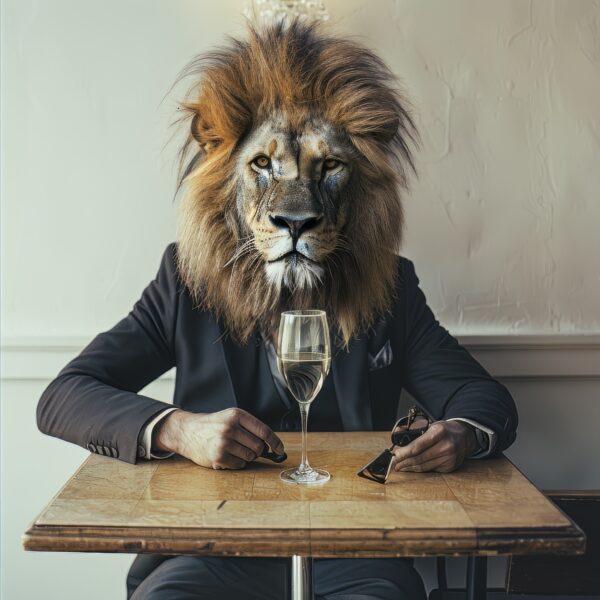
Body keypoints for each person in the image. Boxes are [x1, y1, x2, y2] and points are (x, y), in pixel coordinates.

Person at [36, 21, 518, 600]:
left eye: (327, 167)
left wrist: (461, 435)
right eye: (262, 166)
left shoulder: (390, 286)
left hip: (352, 548)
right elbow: (64, 396)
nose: (295, 208)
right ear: (226, 178)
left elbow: (485, 399)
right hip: (212, 546)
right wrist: (178, 429)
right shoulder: (186, 281)